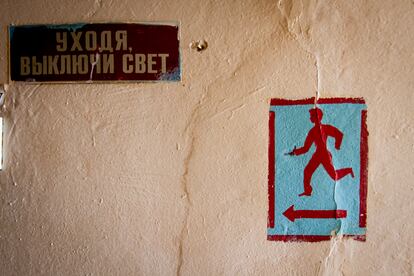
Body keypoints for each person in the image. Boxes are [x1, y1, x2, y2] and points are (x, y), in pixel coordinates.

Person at [289, 107, 354, 196]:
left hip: (324, 154)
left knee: (334, 176)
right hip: (318, 154)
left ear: (317, 117)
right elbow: (306, 148)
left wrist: (337, 146)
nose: (310, 118)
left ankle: (348, 170)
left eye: (311, 116)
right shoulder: (312, 132)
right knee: (307, 171)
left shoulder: (325, 128)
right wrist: (295, 152)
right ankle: (308, 191)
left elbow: (339, 134)